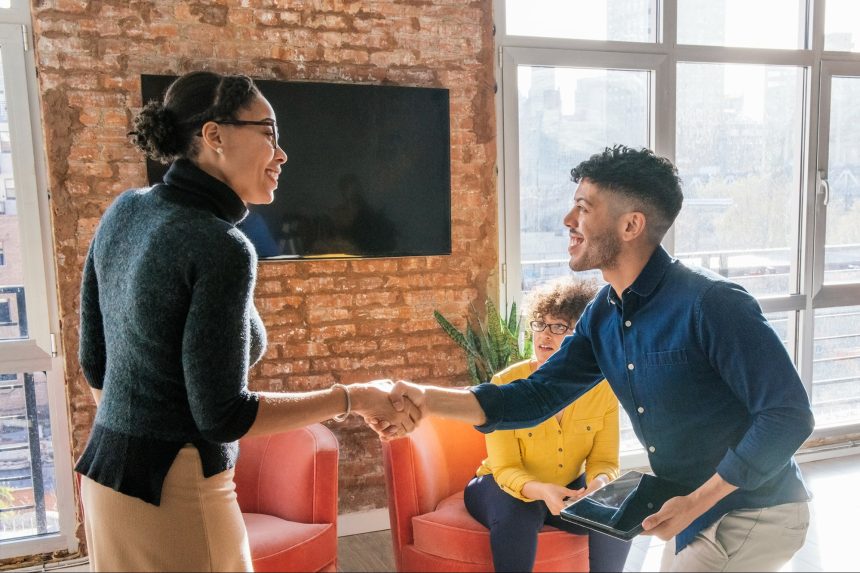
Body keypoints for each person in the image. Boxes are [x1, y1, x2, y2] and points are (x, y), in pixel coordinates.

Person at [380, 145, 814, 572]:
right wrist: (426, 400)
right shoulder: (603, 314)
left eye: (584, 208)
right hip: (692, 511)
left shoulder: (712, 303)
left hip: (756, 510)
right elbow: (535, 395)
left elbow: (788, 415)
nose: (568, 220)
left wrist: (696, 502)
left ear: (631, 225)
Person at [76, 71, 417, 572]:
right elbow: (225, 416)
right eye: (269, 133)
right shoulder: (221, 246)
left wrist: (137, 430)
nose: (282, 154)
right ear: (214, 136)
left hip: (108, 481)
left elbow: (95, 363)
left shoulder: (126, 210)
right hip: (176, 490)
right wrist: (354, 396)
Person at [463, 278, 631, 572]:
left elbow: (605, 461)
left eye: (559, 327)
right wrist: (541, 491)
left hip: (568, 485)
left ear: (582, 336)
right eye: (540, 324)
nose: (544, 334)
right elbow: (505, 468)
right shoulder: (505, 383)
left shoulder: (603, 387)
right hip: (503, 485)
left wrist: (598, 485)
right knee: (518, 516)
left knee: (616, 507)